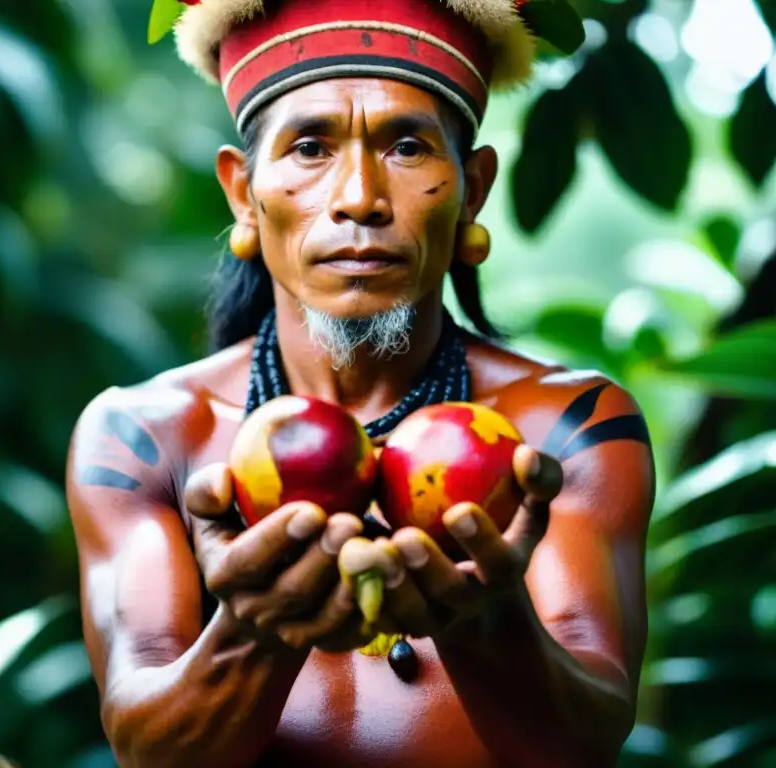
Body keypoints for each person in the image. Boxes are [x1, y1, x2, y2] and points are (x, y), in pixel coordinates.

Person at [65, 0, 656, 765]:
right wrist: (256, 629)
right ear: (244, 193)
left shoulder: (569, 427)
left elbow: (590, 739)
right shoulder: (142, 437)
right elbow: (146, 748)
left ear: (473, 189)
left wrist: (486, 620)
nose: (359, 198)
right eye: (310, 147)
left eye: (408, 147)